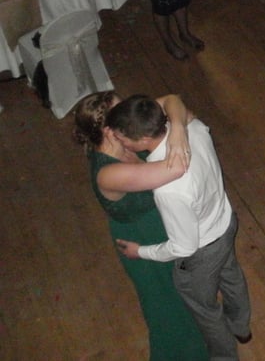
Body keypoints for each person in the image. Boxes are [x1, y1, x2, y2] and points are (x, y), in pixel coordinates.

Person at [108, 95, 253, 359]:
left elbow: (184, 246)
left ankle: (224, 356)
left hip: (202, 253)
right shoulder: (193, 128)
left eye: (122, 138)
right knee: (231, 275)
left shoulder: (168, 189)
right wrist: (177, 126)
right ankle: (241, 327)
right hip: (225, 221)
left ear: (143, 139)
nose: (119, 142)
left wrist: (141, 251)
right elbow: (174, 101)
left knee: (206, 310)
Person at [72, 91, 209, 360]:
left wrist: (177, 129)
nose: (130, 110)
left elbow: (173, 99)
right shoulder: (108, 174)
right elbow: (177, 167)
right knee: (168, 312)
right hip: (143, 241)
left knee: (189, 299)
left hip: (163, 226)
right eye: (122, 108)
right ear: (110, 131)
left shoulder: (125, 134)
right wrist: (183, 133)